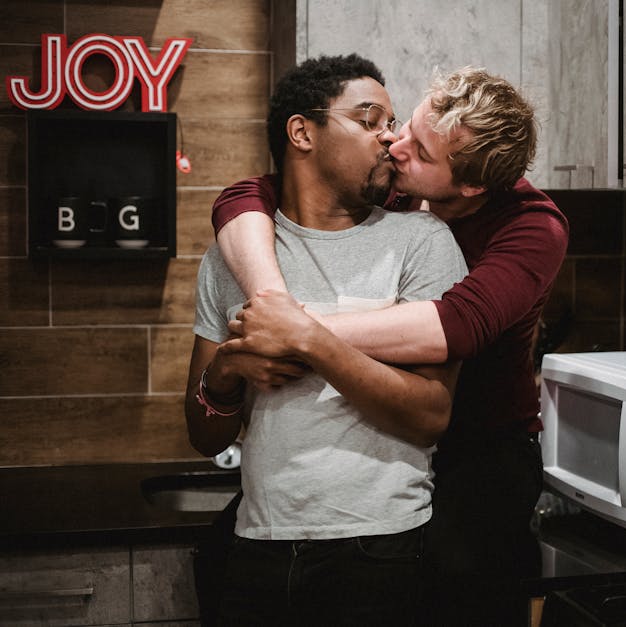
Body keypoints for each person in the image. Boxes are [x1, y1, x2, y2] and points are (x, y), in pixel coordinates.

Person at [212, 66, 570, 625]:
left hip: (484, 449)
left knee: (460, 591)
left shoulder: (532, 228)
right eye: (405, 125)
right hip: (398, 443)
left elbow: (455, 326)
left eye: (421, 151)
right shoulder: (398, 193)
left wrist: (296, 332)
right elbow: (245, 195)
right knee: (225, 551)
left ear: (471, 186)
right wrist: (274, 303)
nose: (395, 147)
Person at [184, 53, 468, 626]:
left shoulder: (421, 242)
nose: (390, 139)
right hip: (257, 545)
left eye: (391, 124)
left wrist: (308, 341)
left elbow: (431, 415)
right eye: (370, 120)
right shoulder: (235, 256)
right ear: (301, 131)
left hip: (382, 548)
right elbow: (202, 432)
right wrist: (227, 375)